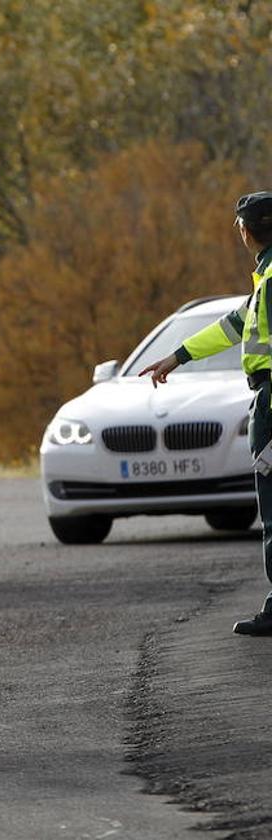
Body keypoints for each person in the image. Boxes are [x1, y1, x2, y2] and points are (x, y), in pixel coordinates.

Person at [140, 191, 272, 635]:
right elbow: (232, 326)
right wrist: (176, 356)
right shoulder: (266, 278)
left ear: (245, 230)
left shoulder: (271, 280)